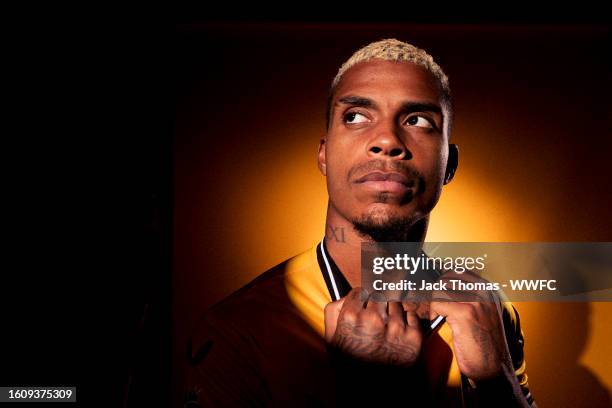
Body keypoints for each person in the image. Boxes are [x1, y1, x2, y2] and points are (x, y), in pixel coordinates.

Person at [184, 38, 536, 407]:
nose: (386, 140)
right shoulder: (239, 329)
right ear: (323, 155)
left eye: (418, 120)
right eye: (355, 116)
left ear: (449, 164)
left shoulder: (487, 309)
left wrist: (499, 381)